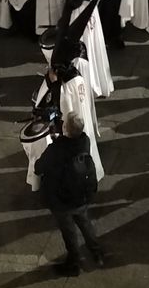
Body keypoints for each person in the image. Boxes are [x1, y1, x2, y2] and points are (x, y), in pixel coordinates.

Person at [35, 114, 107, 276]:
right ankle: (97, 252)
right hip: (81, 195)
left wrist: (54, 144)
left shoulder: (56, 149)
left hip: (62, 199)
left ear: (65, 128)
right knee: (85, 223)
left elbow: (39, 168)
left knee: (69, 231)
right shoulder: (85, 141)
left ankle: (74, 263)